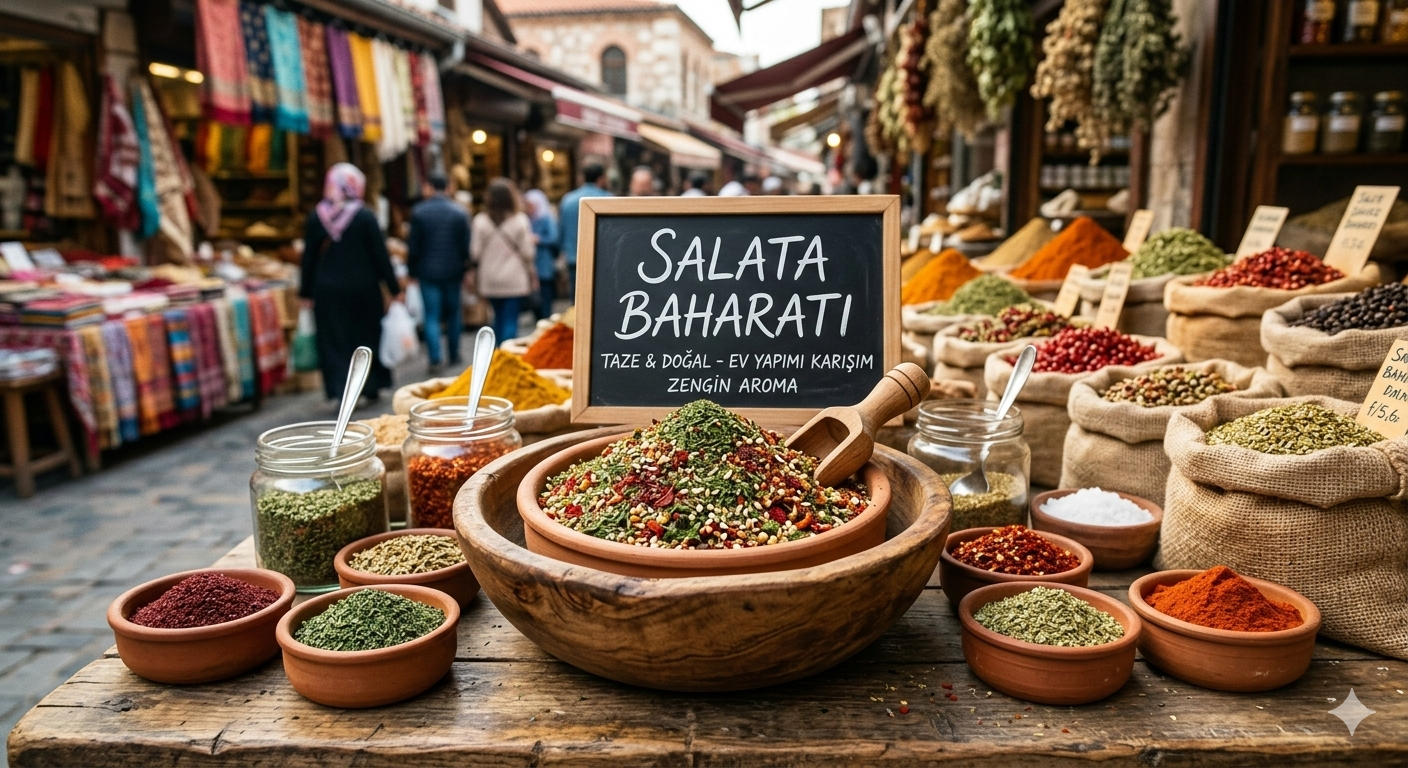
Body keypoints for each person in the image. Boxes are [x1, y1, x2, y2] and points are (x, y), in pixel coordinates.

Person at [300, 163, 401, 402]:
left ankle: (339, 388)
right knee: (365, 339)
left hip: (328, 291)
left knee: (334, 341)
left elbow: (308, 258)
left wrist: (305, 292)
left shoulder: (318, 216)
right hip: (363, 290)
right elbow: (380, 256)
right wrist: (394, 288)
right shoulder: (365, 216)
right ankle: (369, 385)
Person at [407, 174, 470, 370]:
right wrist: (466, 269)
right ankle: (454, 354)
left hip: (428, 272)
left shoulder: (419, 212)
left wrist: (412, 271)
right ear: (448, 187)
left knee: (431, 316)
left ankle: (435, 358)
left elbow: (413, 247)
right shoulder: (459, 213)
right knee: (453, 314)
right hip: (453, 270)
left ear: (429, 187)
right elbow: (465, 247)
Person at [472, 178, 537, 345]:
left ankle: (495, 354)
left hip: (490, 278)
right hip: (514, 279)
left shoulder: (480, 221)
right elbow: (528, 253)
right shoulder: (520, 220)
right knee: (510, 320)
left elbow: (474, 253)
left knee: (496, 318)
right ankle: (507, 355)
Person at [558, 162, 611, 296]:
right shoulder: (608, 199)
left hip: (573, 257)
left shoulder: (567, 200)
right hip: (601, 258)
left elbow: (561, 230)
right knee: (599, 298)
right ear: (601, 178)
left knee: (576, 298)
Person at [524, 188, 560, 319]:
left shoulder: (546, 218)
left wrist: (539, 239)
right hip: (532, 265)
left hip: (544, 263)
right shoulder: (527, 219)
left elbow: (554, 238)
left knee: (545, 294)